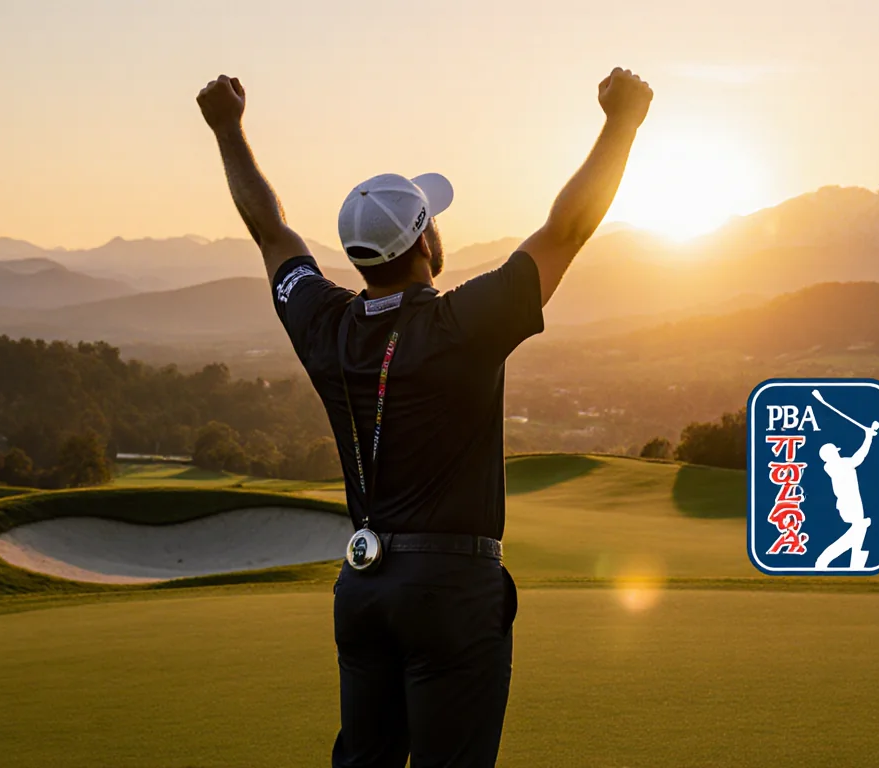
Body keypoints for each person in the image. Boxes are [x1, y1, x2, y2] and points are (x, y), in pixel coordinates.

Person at [197, 66, 652, 767]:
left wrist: (228, 130)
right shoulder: (461, 323)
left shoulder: (326, 323)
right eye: (432, 223)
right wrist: (622, 123)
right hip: (452, 591)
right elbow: (567, 230)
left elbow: (269, 232)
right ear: (426, 246)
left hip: (364, 587)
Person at [813, 420, 879, 570]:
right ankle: (823, 560)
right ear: (830, 455)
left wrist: (869, 436)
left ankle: (855, 564)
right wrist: (868, 437)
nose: (838, 452)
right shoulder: (835, 465)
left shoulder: (839, 463)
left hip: (854, 502)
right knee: (859, 529)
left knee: (858, 533)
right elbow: (859, 457)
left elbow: (857, 458)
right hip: (848, 504)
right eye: (835, 451)